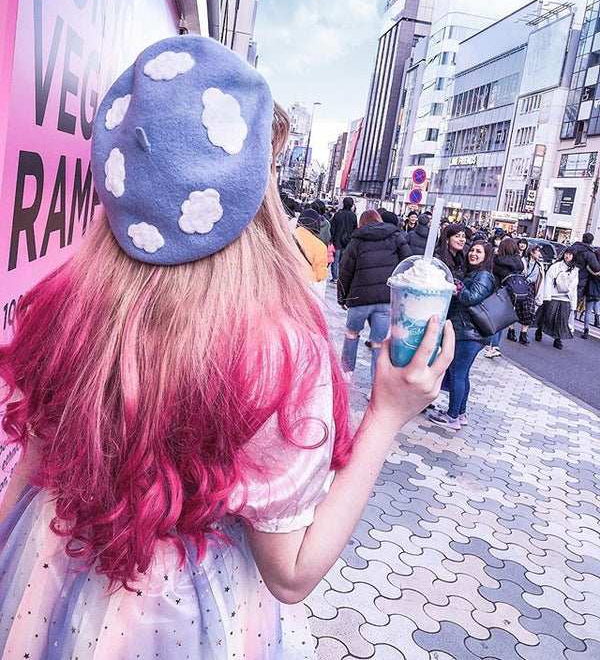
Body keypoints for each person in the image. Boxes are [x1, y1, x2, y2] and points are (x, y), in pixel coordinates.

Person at [0, 35, 455, 659]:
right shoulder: (278, 351)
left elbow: (24, 467)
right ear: (253, 191)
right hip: (187, 618)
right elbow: (291, 573)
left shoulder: (70, 304)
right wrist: (387, 414)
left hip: (48, 578)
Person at [337, 210, 411, 384]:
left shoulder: (357, 240)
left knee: (352, 334)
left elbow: (345, 270)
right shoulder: (395, 236)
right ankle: (375, 383)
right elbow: (407, 263)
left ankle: (347, 374)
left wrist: (343, 297)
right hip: (386, 299)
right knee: (378, 342)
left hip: (358, 298)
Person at [428, 241, 495, 430]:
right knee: (462, 374)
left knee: (457, 372)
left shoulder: (484, 276)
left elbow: (471, 298)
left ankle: (452, 416)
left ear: (486, 256)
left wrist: (458, 286)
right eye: (472, 250)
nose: (473, 254)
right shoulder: (476, 273)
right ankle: (460, 413)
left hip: (469, 333)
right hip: (467, 331)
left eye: (478, 252)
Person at [535, 248, 579, 349]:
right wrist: (547, 296)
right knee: (548, 315)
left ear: (573, 257)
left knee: (562, 319)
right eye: (567, 254)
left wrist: (573, 303)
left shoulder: (575, 270)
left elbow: (574, 287)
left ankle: (557, 339)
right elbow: (548, 281)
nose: (568, 256)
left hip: (566, 298)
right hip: (553, 295)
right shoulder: (556, 266)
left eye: (570, 255)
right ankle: (540, 329)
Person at [510, 244, 544, 344]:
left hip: (530, 289)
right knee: (515, 309)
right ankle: (511, 330)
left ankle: (523, 334)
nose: (539, 253)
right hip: (519, 287)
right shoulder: (523, 261)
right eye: (537, 251)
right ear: (531, 252)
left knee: (529, 311)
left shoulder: (539, 265)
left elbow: (539, 280)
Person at [294, 208, 328, 300]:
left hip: (286, 282)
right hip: (306, 287)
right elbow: (320, 275)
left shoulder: (286, 237)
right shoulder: (320, 246)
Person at [330, 197, 357, 282]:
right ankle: (341, 278)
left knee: (335, 260)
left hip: (337, 241)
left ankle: (335, 277)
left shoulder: (338, 214)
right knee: (344, 261)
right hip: (348, 242)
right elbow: (355, 229)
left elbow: (332, 228)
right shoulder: (353, 216)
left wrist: (332, 240)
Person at [571, 232, 600, 304]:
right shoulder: (589, 253)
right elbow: (596, 268)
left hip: (567, 275)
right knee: (574, 300)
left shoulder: (573, 248)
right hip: (580, 279)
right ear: (591, 241)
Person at [581, 245, 600, 339]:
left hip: (591, 286)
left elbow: (588, 268)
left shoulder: (593, 262)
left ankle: (586, 330)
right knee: (597, 303)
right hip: (599, 288)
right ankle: (597, 316)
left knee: (588, 310)